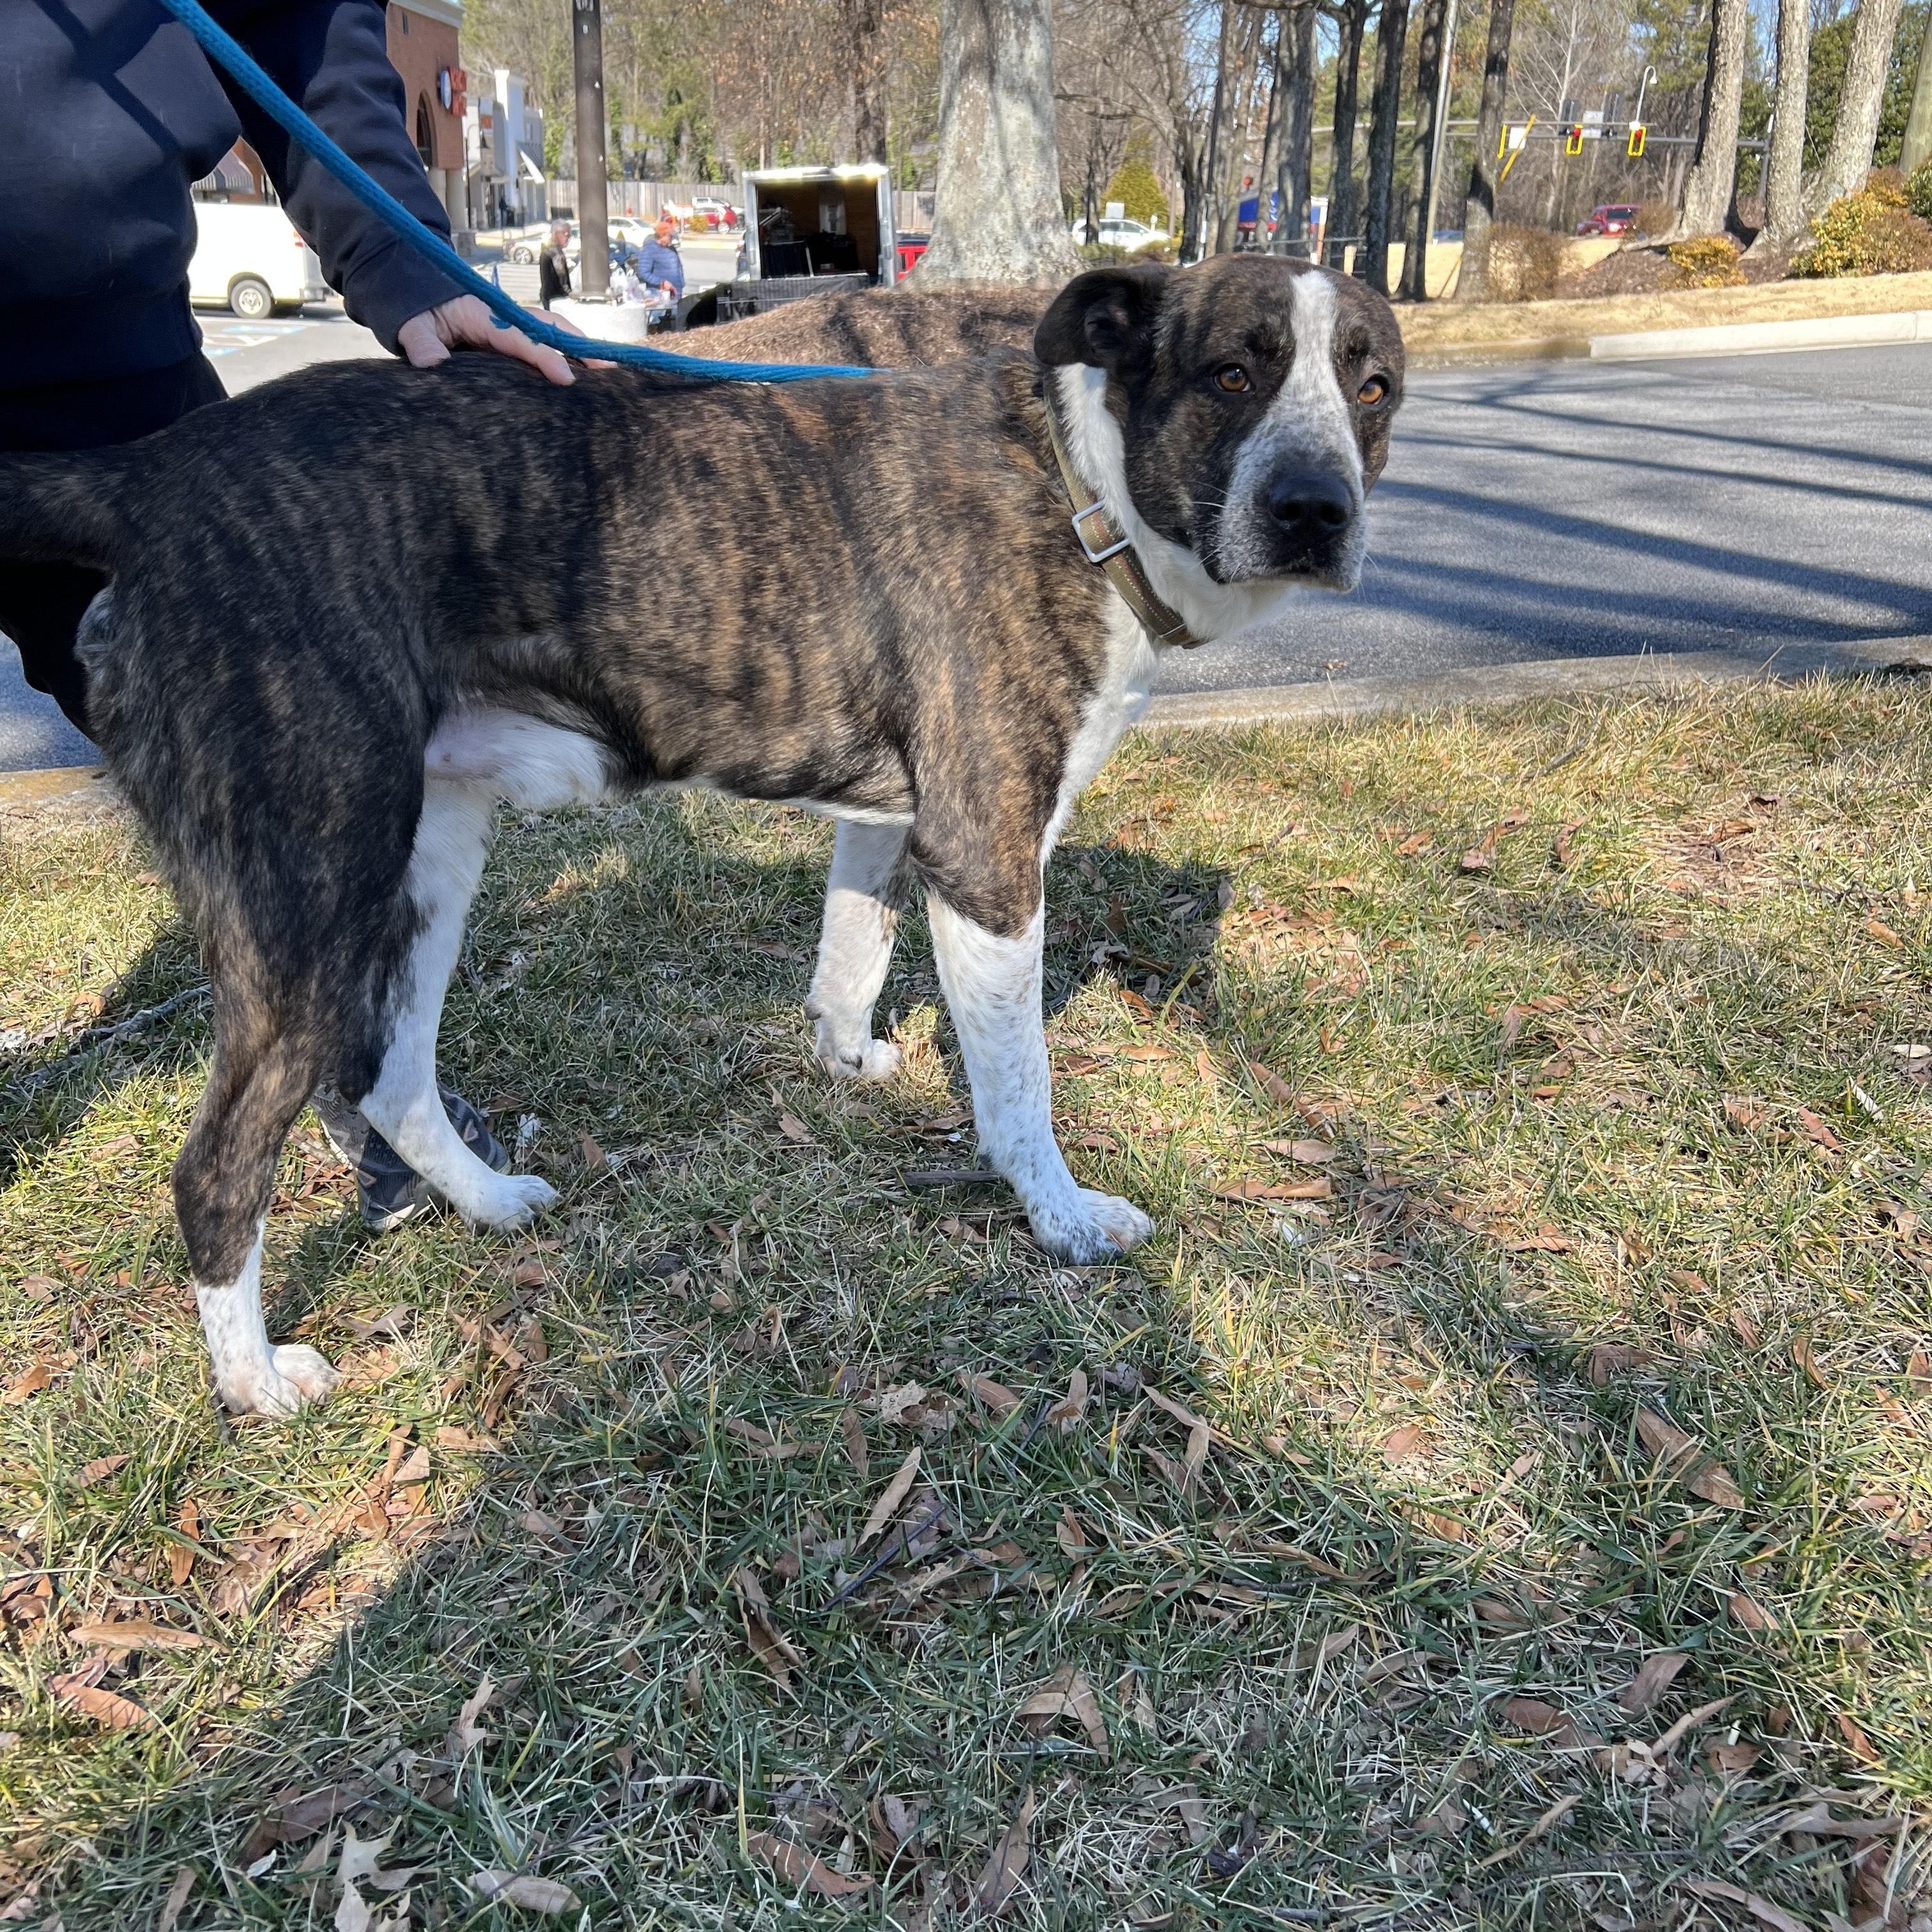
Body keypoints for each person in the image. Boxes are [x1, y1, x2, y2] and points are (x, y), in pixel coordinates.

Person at [0, 1, 578, 1232]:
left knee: (286, 797)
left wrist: (412, 267)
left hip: (112, 382)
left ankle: (369, 1085)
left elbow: (304, 34)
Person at [633, 213, 686, 310]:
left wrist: (681, 282)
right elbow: (644, 273)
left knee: (675, 321)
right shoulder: (649, 249)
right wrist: (662, 282)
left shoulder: (671, 248)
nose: (672, 238)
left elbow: (678, 267)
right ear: (663, 235)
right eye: (670, 236)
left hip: (676, 293)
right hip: (658, 294)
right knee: (660, 321)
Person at [539, 221, 574, 308]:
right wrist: (569, 293)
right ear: (557, 234)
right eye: (567, 235)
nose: (568, 238)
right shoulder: (554, 252)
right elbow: (562, 276)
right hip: (554, 297)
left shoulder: (551, 249)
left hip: (550, 296)